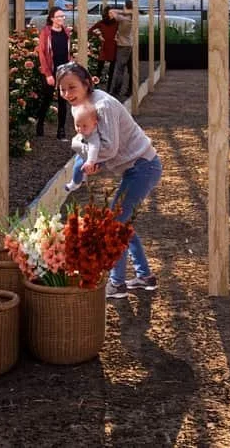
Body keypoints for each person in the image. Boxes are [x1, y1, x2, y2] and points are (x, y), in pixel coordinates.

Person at [55, 62, 162, 299]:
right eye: (62, 90)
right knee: (121, 224)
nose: (67, 94)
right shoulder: (81, 106)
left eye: (72, 87)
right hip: (135, 168)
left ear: (87, 84)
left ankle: (117, 284)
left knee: (113, 225)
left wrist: (87, 156)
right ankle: (145, 277)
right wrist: (87, 154)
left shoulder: (102, 105)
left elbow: (110, 148)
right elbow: (88, 141)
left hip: (143, 167)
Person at [34, 7, 74, 139]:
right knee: (47, 98)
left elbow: (68, 52)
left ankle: (61, 131)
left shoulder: (66, 32)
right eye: (59, 17)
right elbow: (43, 54)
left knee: (63, 100)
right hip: (50, 71)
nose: (62, 19)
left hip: (63, 71)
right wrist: (48, 74)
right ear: (52, 18)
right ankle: (40, 123)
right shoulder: (46, 33)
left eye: (63, 16)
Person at [63, 103, 101, 194]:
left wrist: (90, 162)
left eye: (84, 126)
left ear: (95, 124)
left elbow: (94, 148)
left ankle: (75, 183)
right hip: (84, 153)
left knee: (78, 166)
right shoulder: (88, 130)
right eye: (77, 125)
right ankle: (83, 177)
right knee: (77, 160)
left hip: (91, 158)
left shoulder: (94, 137)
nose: (80, 129)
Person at [88, 9, 120, 89]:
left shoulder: (116, 22)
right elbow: (90, 30)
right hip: (104, 46)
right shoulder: (101, 23)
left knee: (112, 69)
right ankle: (95, 86)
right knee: (99, 67)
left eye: (113, 12)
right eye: (110, 12)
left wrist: (118, 36)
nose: (113, 14)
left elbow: (123, 31)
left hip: (113, 46)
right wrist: (99, 35)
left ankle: (109, 88)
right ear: (106, 14)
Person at [110, 1, 136, 99]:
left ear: (126, 7)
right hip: (129, 44)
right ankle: (130, 90)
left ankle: (116, 91)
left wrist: (124, 12)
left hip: (123, 45)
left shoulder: (124, 18)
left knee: (119, 69)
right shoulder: (131, 17)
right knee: (130, 69)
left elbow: (112, 11)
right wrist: (128, 12)